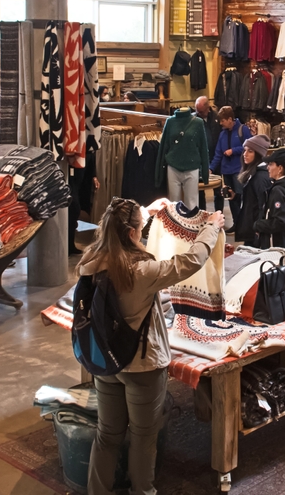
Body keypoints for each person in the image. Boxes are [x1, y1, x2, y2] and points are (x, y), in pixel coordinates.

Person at [79, 197, 224, 495]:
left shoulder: (89, 260)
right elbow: (191, 260)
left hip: (105, 360)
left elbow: (120, 226)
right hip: (141, 366)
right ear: (134, 233)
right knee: (144, 437)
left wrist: (146, 211)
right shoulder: (141, 271)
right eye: (140, 226)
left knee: (107, 434)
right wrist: (210, 228)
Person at [254, 149, 285, 255]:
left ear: (280, 168)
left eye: (271, 164)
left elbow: (281, 222)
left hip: (279, 252)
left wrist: (259, 224)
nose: (267, 167)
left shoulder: (278, 191)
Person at [209, 106, 250, 233]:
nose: (221, 123)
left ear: (230, 119)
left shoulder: (243, 130)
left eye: (223, 121)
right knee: (231, 198)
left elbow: (248, 147)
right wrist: (211, 168)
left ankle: (243, 225)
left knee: (240, 197)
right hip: (226, 171)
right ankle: (236, 224)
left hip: (238, 170)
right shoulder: (222, 134)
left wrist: (234, 150)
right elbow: (218, 154)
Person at [236, 135, 272, 247]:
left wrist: (258, 230)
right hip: (251, 229)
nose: (245, 154)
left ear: (258, 154)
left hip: (255, 233)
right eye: (244, 150)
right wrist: (235, 196)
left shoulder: (260, 177)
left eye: (250, 151)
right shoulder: (254, 173)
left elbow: (264, 206)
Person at [195, 96, 222, 210]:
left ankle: (219, 214)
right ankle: (203, 215)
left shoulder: (217, 117)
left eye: (201, 111)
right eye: (197, 111)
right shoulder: (194, 120)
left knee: (218, 189)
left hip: (216, 157)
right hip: (200, 160)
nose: (199, 113)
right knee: (200, 189)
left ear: (208, 108)